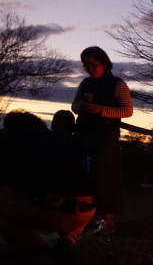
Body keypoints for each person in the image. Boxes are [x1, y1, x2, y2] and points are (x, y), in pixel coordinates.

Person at [0, 111, 95, 254]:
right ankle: (70, 238)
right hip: (86, 211)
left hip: (51, 211)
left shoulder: (14, 143)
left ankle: (34, 245)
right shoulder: (72, 142)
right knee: (75, 194)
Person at [71, 46, 133, 236]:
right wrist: (81, 107)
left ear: (103, 63)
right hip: (83, 134)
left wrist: (102, 110)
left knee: (105, 178)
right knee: (84, 177)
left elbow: (127, 110)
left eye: (93, 64)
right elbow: (74, 106)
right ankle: (84, 218)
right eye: (86, 65)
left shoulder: (118, 84)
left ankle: (106, 220)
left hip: (106, 138)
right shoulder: (85, 83)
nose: (90, 68)